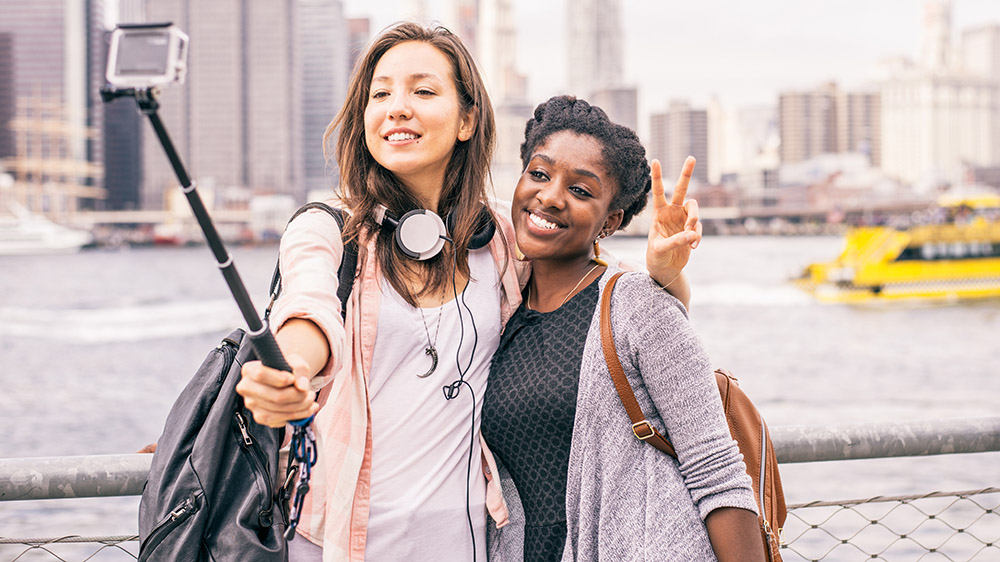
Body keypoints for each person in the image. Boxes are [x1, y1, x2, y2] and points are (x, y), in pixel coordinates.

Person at [235, 23, 696, 562]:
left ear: (467, 119)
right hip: (333, 544)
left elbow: (626, 301)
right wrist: (288, 374)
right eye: (380, 93)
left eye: (423, 91)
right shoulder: (325, 231)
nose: (397, 107)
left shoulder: (500, 238)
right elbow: (307, 310)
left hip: (468, 545)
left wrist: (668, 271)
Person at [480, 96, 765, 562]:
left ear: (610, 221)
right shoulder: (500, 313)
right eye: (539, 174)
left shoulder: (638, 305)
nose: (550, 196)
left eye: (581, 191)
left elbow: (717, 470)